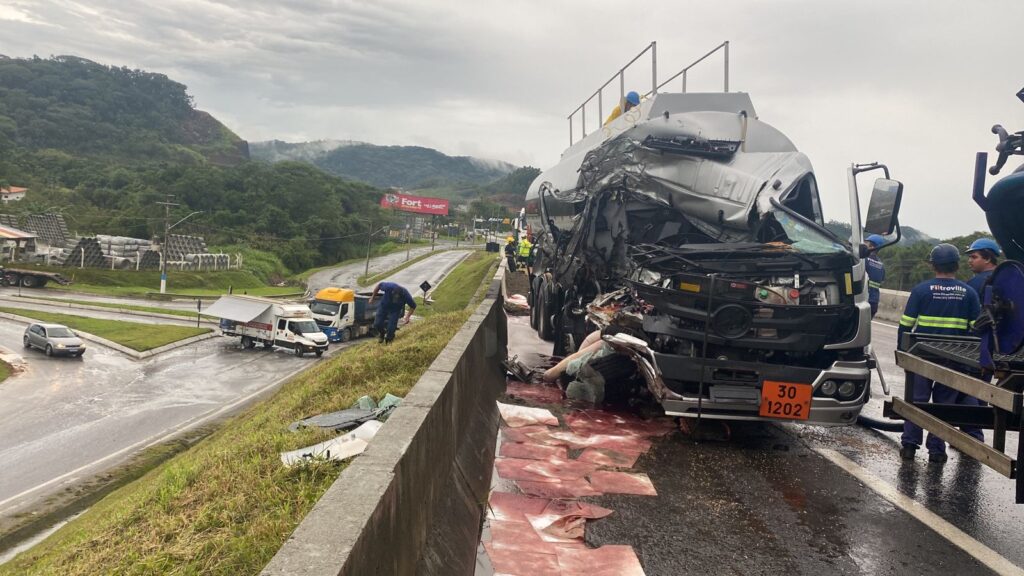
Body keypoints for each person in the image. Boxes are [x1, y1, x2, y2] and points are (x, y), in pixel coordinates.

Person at [897, 244, 980, 464]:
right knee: (944, 405)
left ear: (933, 264)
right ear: (956, 265)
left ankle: (909, 446)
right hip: (955, 359)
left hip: (922, 356)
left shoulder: (922, 290)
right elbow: (976, 330)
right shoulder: (969, 293)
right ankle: (936, 451)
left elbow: (906, 324)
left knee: (917, 402)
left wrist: (902, 353)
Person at [865, 234, 886, 317]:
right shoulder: (881, 265)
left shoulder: (864, 260)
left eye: (866, 243)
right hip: (874, 302)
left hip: (863, 300)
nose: (864, 245)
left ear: (872, 246)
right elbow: (882, 280)